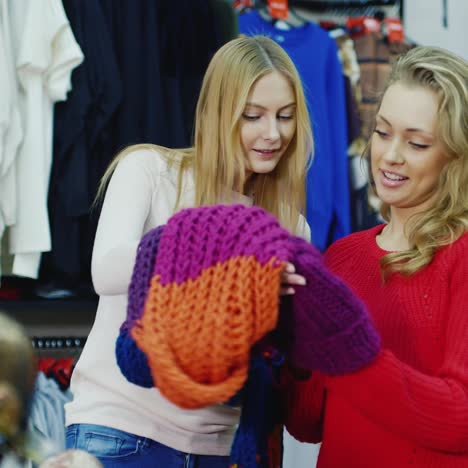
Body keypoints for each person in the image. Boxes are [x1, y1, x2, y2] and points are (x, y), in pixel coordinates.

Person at [64, 35, 316, 467]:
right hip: (122, 434)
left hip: (220, 448)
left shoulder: (290, 225)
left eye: (285, 117)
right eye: (252, 116)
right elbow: (105, 270)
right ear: (216, 113)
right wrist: (224, 255)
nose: (272, 134)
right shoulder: (149, 170)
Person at [284, 45, 468, 467]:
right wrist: (292, 337)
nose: (390, 155)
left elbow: (460, 418)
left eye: (417, 143)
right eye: (382, 132)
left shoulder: (462, 256)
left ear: (456, 157)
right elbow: (308, 421)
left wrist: (349, 349)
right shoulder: (343, 256)